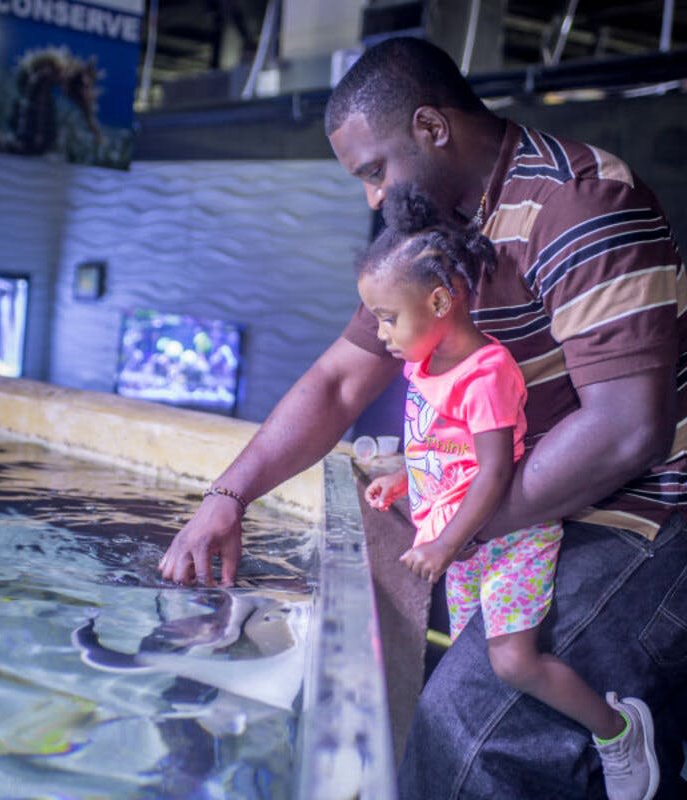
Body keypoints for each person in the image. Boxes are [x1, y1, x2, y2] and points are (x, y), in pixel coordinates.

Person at [159, 35, 687, 797]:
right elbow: (340, 380)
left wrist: (460, 525)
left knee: (463, 730)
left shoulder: (580, 203)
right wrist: (228, 496)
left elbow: (627, 429)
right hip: (543, 503)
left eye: (375, 171)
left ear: (433, 128)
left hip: (650, 513)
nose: (374, 199)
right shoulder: (431, 235)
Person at [360, 183, 659, 799]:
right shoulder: (422, 365)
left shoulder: (486, 374)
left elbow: (496, 472)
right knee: (472, 659)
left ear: (439, 300)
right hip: (464, 542)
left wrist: (444, 544)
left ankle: (619, 730)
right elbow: (441, 448)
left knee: (511, 662)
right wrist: (405, 479)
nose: (381, 333)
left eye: (388, 317)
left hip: (507, 538)